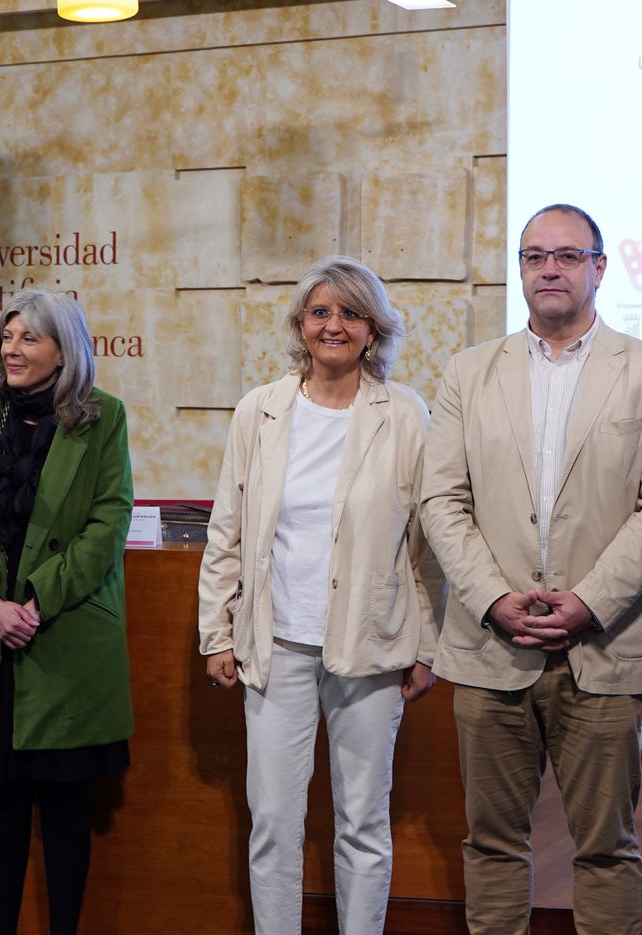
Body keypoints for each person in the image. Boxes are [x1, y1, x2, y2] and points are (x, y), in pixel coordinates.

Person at [419, 204, 642, 935]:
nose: (549, 267)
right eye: (534, 255)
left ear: (599, 268)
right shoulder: (468, 372)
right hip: (490, 647)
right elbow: (441, 500)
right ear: (520, 270)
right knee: (492, 841)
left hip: (605, 646)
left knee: (607, 847)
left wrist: (586, 601)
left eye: (568, 255)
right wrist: (490, 598)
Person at [197, 255, 439, 935]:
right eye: (321, 312)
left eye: (350, 313)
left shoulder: (405, 413)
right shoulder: (260, 410)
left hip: (371, 644)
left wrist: (427, 644)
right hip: (277, 646)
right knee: (274, 820)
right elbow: (228, 531)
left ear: (373, 329)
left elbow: (426, 541)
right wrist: (215, 631)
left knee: (362, 821)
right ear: (301, 325)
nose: (334, 325)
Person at [0, 290, 135, 935]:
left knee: (68, 809)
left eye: (30, 338)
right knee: (2, 806)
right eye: (7, 336)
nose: (12, 349)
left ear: (63, 349)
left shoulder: (104, 417)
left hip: (64, 639)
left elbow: (110, 520)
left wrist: (39, 601)